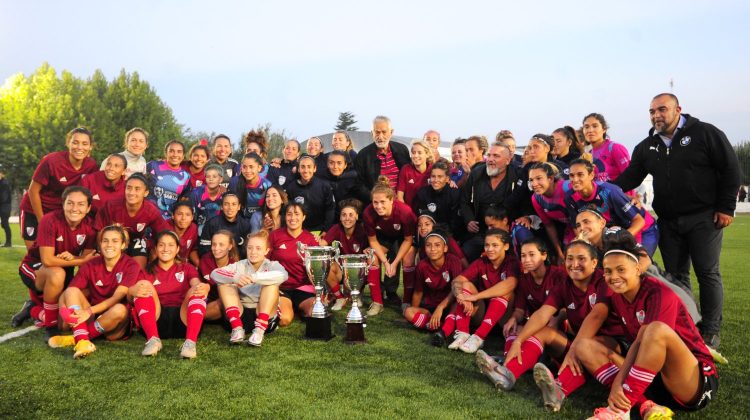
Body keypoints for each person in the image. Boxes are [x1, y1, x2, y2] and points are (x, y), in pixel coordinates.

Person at [614, 93, 741, 349]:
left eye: (662, 109)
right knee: (676, 276)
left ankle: (711, 330)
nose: (656, 115)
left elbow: (731, 169)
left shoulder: (705, 133)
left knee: (707, 273)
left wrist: (726, 207)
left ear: (678, 109)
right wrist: (600, 191)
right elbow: (629, 178)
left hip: (704, 217)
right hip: (669, 222)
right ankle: (688, 323)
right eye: (652, 111)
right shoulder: (647, 146)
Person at [585, 231, 718, 419]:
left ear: (638, 269)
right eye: (608, 271)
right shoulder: (616, 295)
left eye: (621, 270)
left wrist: (619, 383)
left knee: (656, 330)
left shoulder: (660, 293)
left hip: (692, 381)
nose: (613, 276)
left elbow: (642, 340)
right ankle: (645, 404)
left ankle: (620, 411)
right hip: (651, 376)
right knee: (585, 346)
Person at [475, 239, 623, 394]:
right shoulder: (564, 284)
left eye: (581, 259)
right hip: (579, 342)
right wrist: (519, 340)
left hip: (612, 346)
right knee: (544, 332)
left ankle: (560, 388)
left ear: (594, 263)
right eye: (570, 259)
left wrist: (574, 348)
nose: (574, 264)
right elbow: (542, 313)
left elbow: (597, 316)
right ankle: (507, 374)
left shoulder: (603, 281)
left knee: (584, 345)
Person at [14, 186, 97, 338]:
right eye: (70, 203)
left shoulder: (91, 227)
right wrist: (79, 260)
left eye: (81, 204)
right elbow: (47, 259)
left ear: (88, 207)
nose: (75, 208)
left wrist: (78, 259)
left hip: (64, 272)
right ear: (63, 204)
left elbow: (86, 260)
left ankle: (34, 309)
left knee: (65, 323)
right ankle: (51, 328)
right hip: (34, 267)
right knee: (57, 272)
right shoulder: (50, 220)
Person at [47, 225, 139, 358]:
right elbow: (69, 292)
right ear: (100, 244)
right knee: (72, 291)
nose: (109, 245)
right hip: (91, 316)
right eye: (105, 240)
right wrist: (64, 311)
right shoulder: (91, 264)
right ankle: (83, 341)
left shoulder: (131, 265)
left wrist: (88, 312)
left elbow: (117, 298)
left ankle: (76, 337)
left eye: (115, 241)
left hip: (115, 323)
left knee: (120, 309)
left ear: (123, 245)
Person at [435, 228, 518, 354]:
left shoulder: (512, 262)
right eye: (487, 245)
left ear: (506, 246)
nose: (489, 249)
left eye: (495, 245)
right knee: (465, 285)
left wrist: (475, 297)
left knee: (505, 291)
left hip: (503, 319)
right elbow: (457, 280)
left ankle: (479, 337)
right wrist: (461, 296)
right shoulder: (481, 262)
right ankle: (463, 333)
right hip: (482, 314)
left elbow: (510, 284)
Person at [129, 230, 208, 359]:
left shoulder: (187, 268)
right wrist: (131, 291)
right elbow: (130, 297)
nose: (166, 249)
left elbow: (196, 284)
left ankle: (190, 343)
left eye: (171, 245)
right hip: (156, 319)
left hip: (183, 320)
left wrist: (205, 286)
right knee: (143, 284)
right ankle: (153, 340)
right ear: (155, 249)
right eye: (161, 245)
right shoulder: (147, 271)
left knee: (197, 289)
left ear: (177, 249)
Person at [19, 127, 98, 249]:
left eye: (84, 144)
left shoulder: (91, 165)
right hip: (34, 210)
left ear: (91, 146)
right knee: (35, 255)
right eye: (75, 142)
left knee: (59, 254)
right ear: (68, 143)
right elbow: (33, 191)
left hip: (60, 214)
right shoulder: (51, 161)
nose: (79, 147)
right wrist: (43, 221)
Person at [566, 158, 659, 256]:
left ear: (591, 175)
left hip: (643, 229)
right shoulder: (570, 198)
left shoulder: (610, 191)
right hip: (615, 232)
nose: (575, 179)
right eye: (571, 175)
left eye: (580, 175)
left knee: (638, 265)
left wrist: (619, 241)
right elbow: (577, 228)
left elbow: (639, 221)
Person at [212, 230, 288, 346]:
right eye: (250, 248)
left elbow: (283, 275)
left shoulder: (272, 265)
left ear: (266, 251)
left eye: (258, 248)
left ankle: (259, 331)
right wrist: (235, 277)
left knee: (271, 284)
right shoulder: (239, 265)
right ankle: (237, 329)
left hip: (263, 314)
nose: (253, 252)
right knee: (224, 282)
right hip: (240, 314)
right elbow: (215, 273)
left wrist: (255, 278)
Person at [499, 238, 567, 357]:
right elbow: (519, 310)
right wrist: (513, 318)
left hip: (559, 325)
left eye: (532, 255)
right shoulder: (524, 279)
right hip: (536, 324)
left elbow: (568, 306)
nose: (526, 260)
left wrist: (558, 319)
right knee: (514, 329)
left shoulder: (558, 275)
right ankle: (507, 358)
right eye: (523, 255)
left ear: (544, 255)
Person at [362, 177, 417, 311]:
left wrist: (395, 262)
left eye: (382, 202)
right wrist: (386, 263)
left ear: (392, 200)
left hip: (402, 238)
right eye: (375, 202)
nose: (378, 206)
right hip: (383, 238)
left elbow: (408, 239)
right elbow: (373, 241)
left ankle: (406, 301)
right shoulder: (368, 213)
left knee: (408, 258)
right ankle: (377, 302)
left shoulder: (405, 211)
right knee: (371, 256)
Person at [94, 174, 170, 268]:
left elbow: (165, 233)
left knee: (138, 269)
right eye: (129, 188)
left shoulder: (150, 210)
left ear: (145, 193)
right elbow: (99, 231)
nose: (131, 192)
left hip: (136, 241)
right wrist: (101, 250)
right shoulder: (111, 206)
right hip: (113, 242)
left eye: (137, 189)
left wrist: (152, 246)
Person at [459, 143, 519, 261]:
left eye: (496, 156)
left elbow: (523, 202)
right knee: (466, 252)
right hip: (480, 231)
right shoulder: (476, 174)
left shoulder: (516, 177)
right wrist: (469, 220)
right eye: (489, 155)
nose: (490, 159)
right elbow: (464, 201)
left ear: (508, 160)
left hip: (506, 231)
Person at [319, 199, 376, 312]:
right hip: (343, 268)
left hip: (360, 269)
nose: (347, 218)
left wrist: (370, 248)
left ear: (356, 216)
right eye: (344, 215)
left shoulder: (363, 230)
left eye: (351, 215)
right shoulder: (337, 228)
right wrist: (315, 241)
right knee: (325, 264)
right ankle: (339, 297)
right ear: (340, 217)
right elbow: (322, 245)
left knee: (370, 262)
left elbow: (374, 246)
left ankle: (357, 292)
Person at [404, 229, 463, 332]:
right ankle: (438, 326)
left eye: (437, 245)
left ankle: (435, 324)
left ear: (445, 248)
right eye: (428, 245)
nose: (432, 249)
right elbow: (418, 292)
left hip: (449, 304)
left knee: (460, 304)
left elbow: (456, 289)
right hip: (430, 307)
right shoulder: (422, 266)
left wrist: (441, 307)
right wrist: (414, 313)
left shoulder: (453, 261)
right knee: (408, 312)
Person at [268, 203, 319, 319]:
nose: (293, 218)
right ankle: (289, 307)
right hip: (282, 288)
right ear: (284, 217)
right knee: (284, 319)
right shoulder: (275, 236)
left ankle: (299, 307)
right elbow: (265, 262)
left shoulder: (310, 239)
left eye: (297, 214)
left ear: (303, 217)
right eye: (289, 214)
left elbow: (316, 269)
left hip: (303, 287)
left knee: (316, 313)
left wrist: (320, 290)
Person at [354, 116, 411, 193]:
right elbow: (359, 184)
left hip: (401, 200)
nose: (380, 137)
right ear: (372, 133)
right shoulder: (363, 155)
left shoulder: (402, 150)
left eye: (384, 132)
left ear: (391, 132)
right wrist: (373, 198)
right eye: (377, 132)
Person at [529, 162, 572, 263]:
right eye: (531, 180)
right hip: (566, 228)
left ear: (551, 179)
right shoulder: (536, 198)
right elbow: (549, 225)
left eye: (539, 178)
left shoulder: (568, 188)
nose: (534, 184)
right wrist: (559, 253)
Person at [198, 230, 239, 326]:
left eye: (221, 245)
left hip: (226, 300)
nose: (216, 248)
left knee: (223, 302)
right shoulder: (205, 259)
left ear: (230, 246)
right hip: (208, 301)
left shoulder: (235, 264)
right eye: (214, 244)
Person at [284, 155, 335, 232]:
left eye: (309, 167)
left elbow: (330, 210)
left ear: (314, 168)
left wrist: (326, 230)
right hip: (299, 231)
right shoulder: (291, 188)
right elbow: (287, 211)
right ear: (298, 169)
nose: (306, 170)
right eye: (303, 167)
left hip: (319, 231)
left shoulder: (324, 186)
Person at [146, 140, 192, 221]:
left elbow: (183, 200)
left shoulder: (186, 176)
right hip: (147, 214)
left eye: (179, 152)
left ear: (183, 155)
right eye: (171, 151)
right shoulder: (153, 166)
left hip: (167, 220)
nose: (175, 155)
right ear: (165, 153)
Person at [198, 193, 253, 259]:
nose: (230, 208)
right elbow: (204, 249)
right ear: (221, 206)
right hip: (215, 262)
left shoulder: (245, 225)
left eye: (234, 204)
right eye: (226, 204)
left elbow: (247, 250)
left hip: (237, 263)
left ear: (239, 207)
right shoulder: (212, 223)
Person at [582, 113, 631, 183]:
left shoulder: (615, 148)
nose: (590, 130)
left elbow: (630, 176)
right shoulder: (588, 155)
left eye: (595, 126)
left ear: (604, 129)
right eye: (586, 127)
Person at [414, 161, 461, 232]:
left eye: (440, 177)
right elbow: (422, 219)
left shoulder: (454, 194)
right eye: (433, 176)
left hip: (448, 233)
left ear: (447, 179)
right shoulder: (422, 193)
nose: (436, 180)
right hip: (428, 232)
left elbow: (454, 222)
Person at [324, 150, 369, 220]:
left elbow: (367, 200)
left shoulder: (355, 179)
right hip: (333, 221)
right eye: (331, 163)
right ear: (327, 164)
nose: (335, 166)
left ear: (345, 165)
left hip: (354, 220)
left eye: (339, 163)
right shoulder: (324, 180)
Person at [229, 153, 272, 220]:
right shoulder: (234, 182)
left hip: (260, 221)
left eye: (251, 167)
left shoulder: (267, 185)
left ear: (259, 168)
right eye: (244, 167)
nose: (247, 171)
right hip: (240, 220)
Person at [188, 163, 226, 234]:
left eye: (214, 177)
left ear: (221, 179)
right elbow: (192, 214)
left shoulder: (225, 194)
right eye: (208, 176)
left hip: (220, 231)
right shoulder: (196, 193)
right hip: (201, 230)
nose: (211, 179)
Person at [397, 139, 434, 210]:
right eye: (413, 153)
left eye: (419, 153)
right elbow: (400, 196)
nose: (416, 156)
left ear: (427, 154)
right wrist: (406, 212)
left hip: (429, 212)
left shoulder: (433, 170)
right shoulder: (406, 169)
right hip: (409, 211)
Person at [170, 202, 200, 267]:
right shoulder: (165, 227)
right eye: (180, 214)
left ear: (192, 217)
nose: (183, 218)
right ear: (173, 215)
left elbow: (193, 249)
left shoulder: (193, 228)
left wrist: (199, 265)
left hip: (184, 265)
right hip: (167, 263)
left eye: (188, 215)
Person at [0, 169, 13, 247]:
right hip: (2, 205)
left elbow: (3, 198)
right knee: (4, 224)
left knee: (4, 224)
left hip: (5, 206)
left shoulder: (4, 184)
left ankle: (8, 243)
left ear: (2, 174)